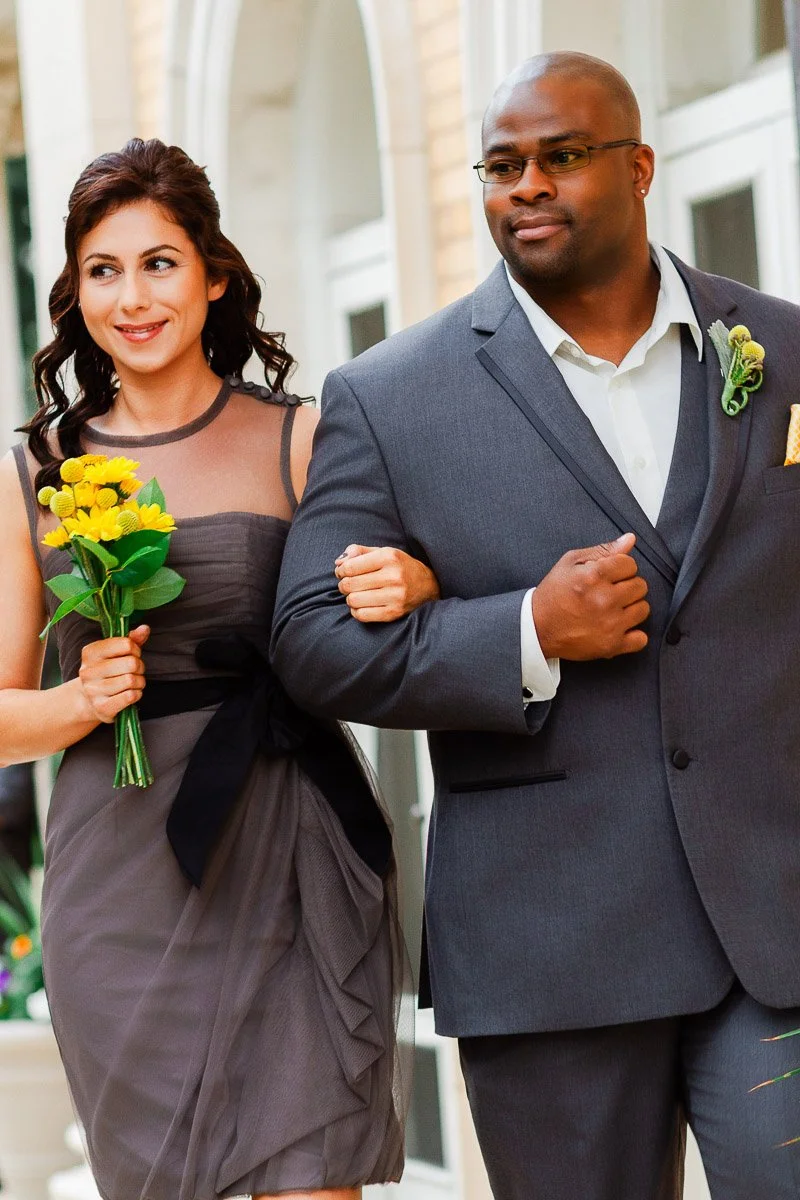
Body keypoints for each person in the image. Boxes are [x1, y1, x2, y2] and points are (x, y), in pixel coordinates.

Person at [273, 51, 800, 1200]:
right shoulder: (389, 394)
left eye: (560, 157)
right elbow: (310, 639)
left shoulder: (781, 349)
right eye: (501, 165)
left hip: (773, 928)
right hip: (548, 944)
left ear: (637, 165)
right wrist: (518, 631)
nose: (526, 185)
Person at [0, 137, 440, 1200]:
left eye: (159, 262)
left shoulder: (302, 438)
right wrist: (74, 700)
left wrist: (413, 582)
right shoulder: (35, 472)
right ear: (76, 292)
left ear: (214, 276)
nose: (132, 296)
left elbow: (405, 585)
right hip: (122, 884)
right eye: (104, 270)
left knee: (312, 1178)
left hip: (290, 850)